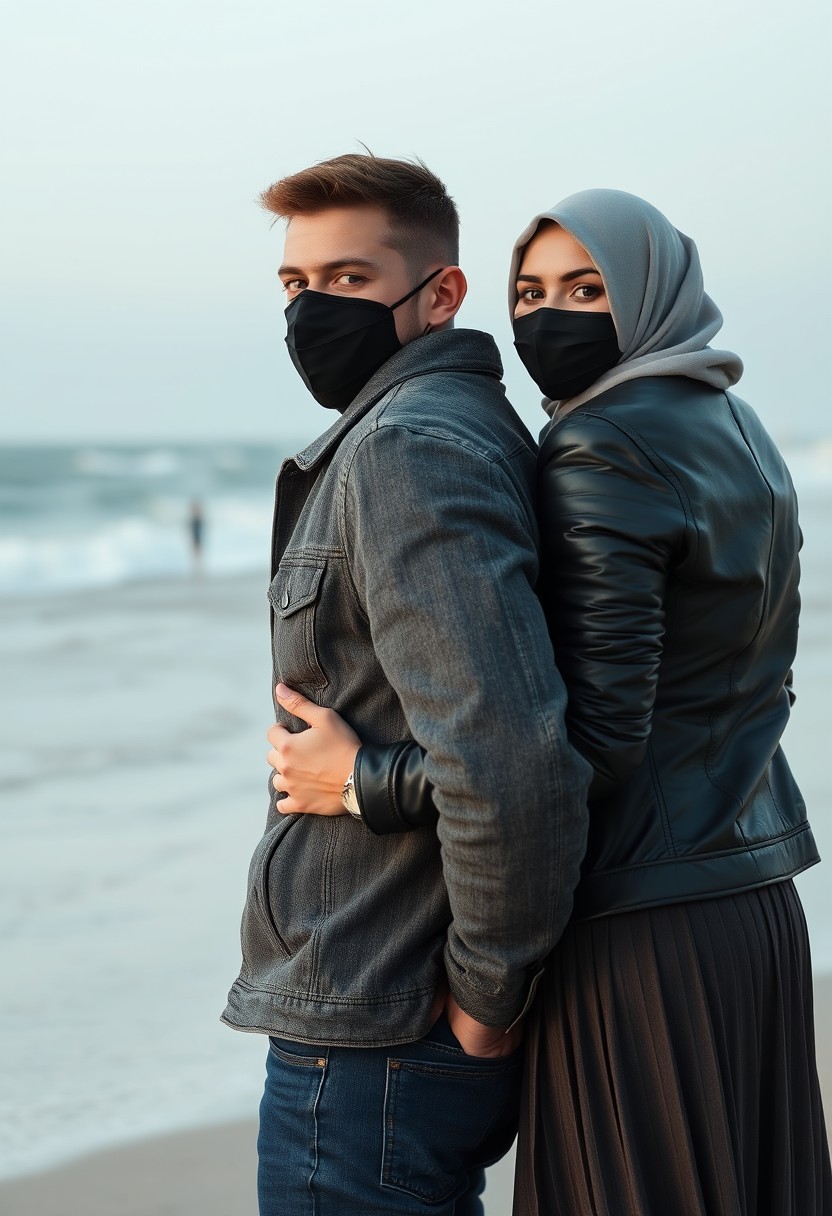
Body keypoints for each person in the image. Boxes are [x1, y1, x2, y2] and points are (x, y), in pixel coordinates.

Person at [269, 188, 832, 1214]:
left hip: (640, 922)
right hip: (750, 897)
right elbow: (758, 684)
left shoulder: (598, 444)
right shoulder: (734, 425)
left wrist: (363, 780)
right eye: (530, 292)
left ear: (651, 292)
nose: (544, 320)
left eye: (585, 289)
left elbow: (587, 745)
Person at [221, 154, 591, 1216]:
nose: (309, 310)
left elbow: (509, 759)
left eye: (345, 278)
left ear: (440, 293)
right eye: (295, 285)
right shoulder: (437, 427)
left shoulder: (407, 446)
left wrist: (486, 995)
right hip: (384, 1011)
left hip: (382, 1024)